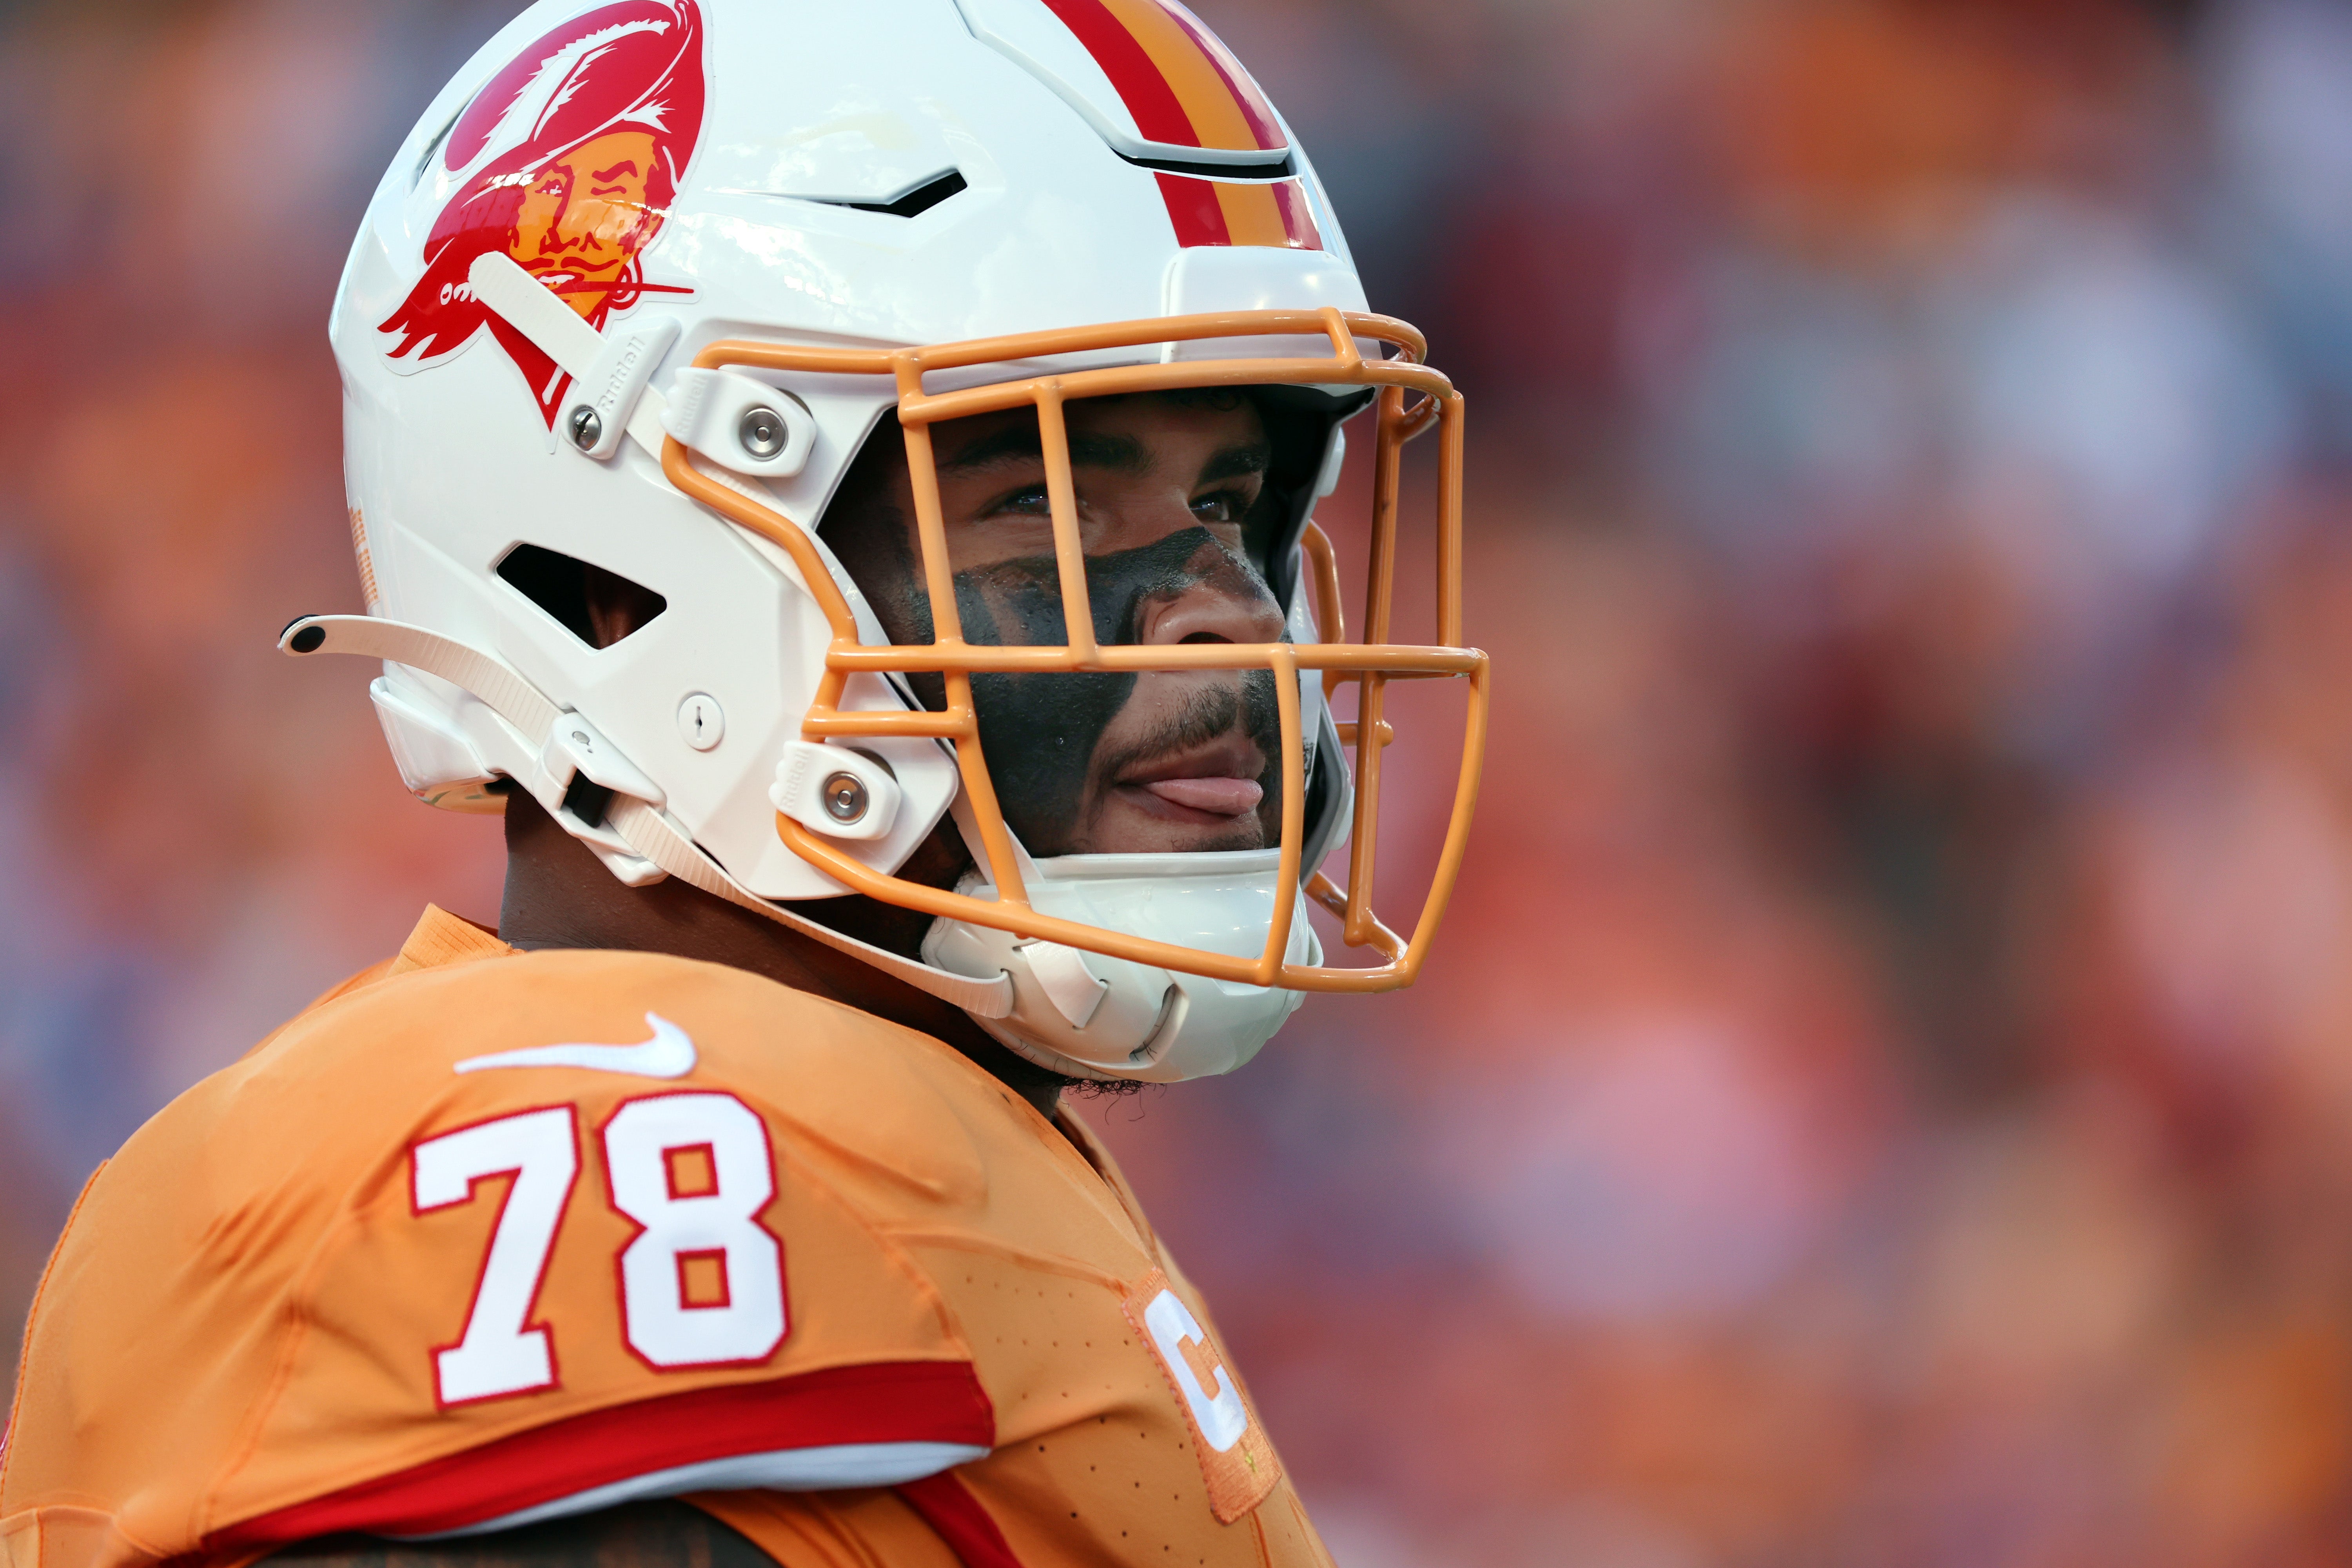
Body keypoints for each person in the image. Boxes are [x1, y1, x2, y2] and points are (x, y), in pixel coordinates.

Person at [0, 2, 1486, 1565]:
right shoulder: (568, 1173)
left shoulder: (896, 1135)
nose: (1230, 610)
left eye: (1232, 500)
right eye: (1044, 502)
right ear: (609, 589)